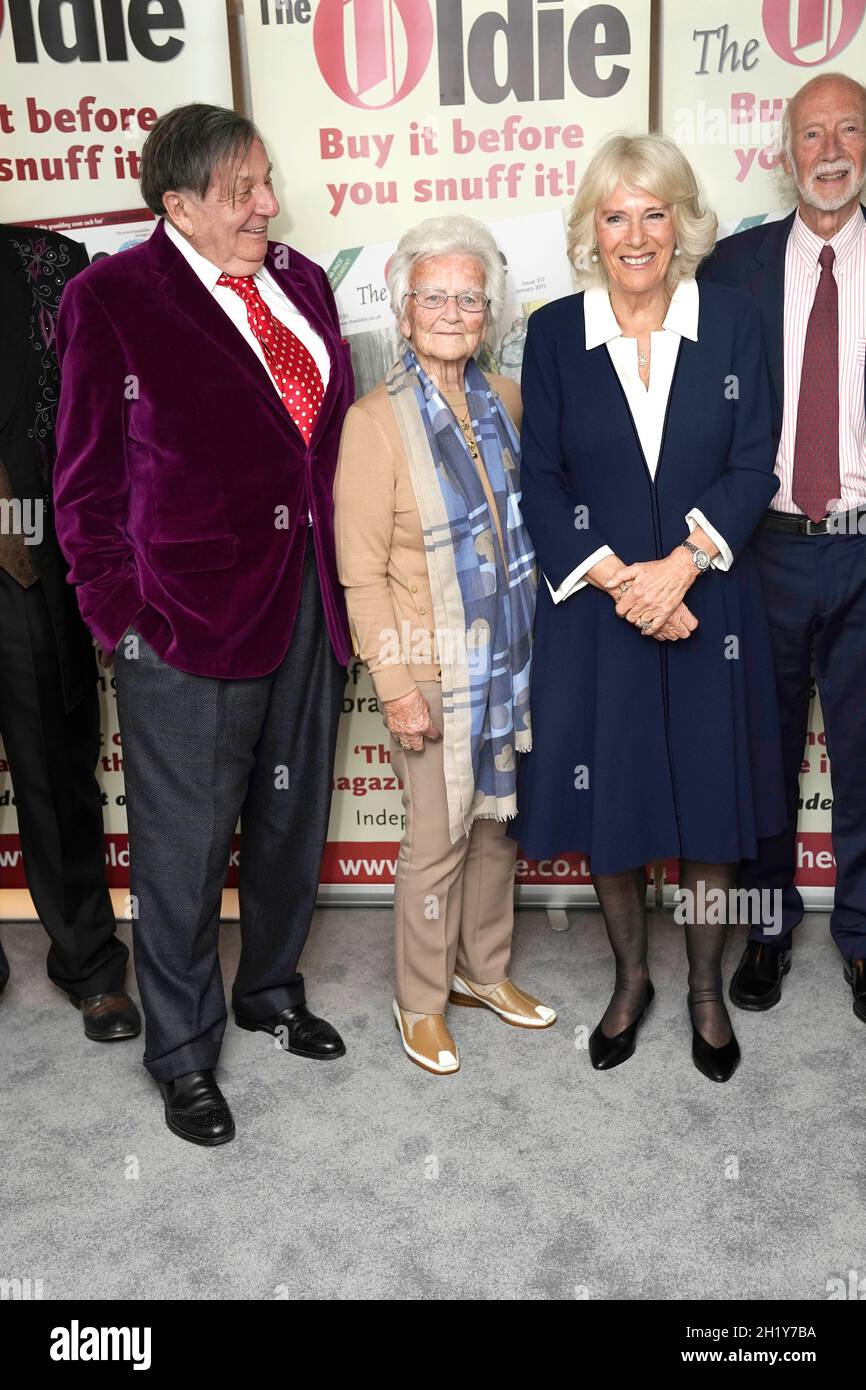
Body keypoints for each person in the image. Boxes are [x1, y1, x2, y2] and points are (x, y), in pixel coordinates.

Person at [53, 104, 354, 1146]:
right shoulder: (111, 299)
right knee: (182, 854)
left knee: (288, 820)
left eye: (267, 182)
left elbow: (316, 453)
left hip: (311, 596)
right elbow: (84, 486)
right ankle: (183, 1052)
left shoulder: (303, 283)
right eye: (242, 192)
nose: (267, 205)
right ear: (176, 205)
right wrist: (121, 619)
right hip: (184, 623)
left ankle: (269, 986)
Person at [510, 134, 786, 1083]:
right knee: (613, 801)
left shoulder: (737, 321)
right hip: (598, 611)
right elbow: (539, 481)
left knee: (712, 803)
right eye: (616, 214)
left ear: (683, 223)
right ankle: (632, 981)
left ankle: (706, 990)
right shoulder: (552, 333)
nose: (636, 234)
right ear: (594, 227)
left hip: (714, 602)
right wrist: (628, 583)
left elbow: (757, 463)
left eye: (654, 212)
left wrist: (680, 567)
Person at [334, 215, 555, 1076]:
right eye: (436, 296)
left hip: (507, 660)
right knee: (437, 838)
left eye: (470, 296)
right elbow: (359, 573)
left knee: (496, 829)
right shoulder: (373, 421)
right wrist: (395, 684)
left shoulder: (506, 399)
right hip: (429, 668)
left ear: (489, 310)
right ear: (403, 305)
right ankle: (420, 999)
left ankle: (483, 972)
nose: (454, 311)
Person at [700, 72, 866, 1024]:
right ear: (787, 152)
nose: (831, 149)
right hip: (762, 551)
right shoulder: (733, 267)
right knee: (760, 753)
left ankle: (862, 935)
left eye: (849, 129)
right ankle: (767, 931)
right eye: (813, 133)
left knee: (863, 756)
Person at [0, 223, 139, 1042]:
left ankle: (87, 962)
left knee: (56, 769)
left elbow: (95, 419)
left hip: (27, 556)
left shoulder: (46, 264)